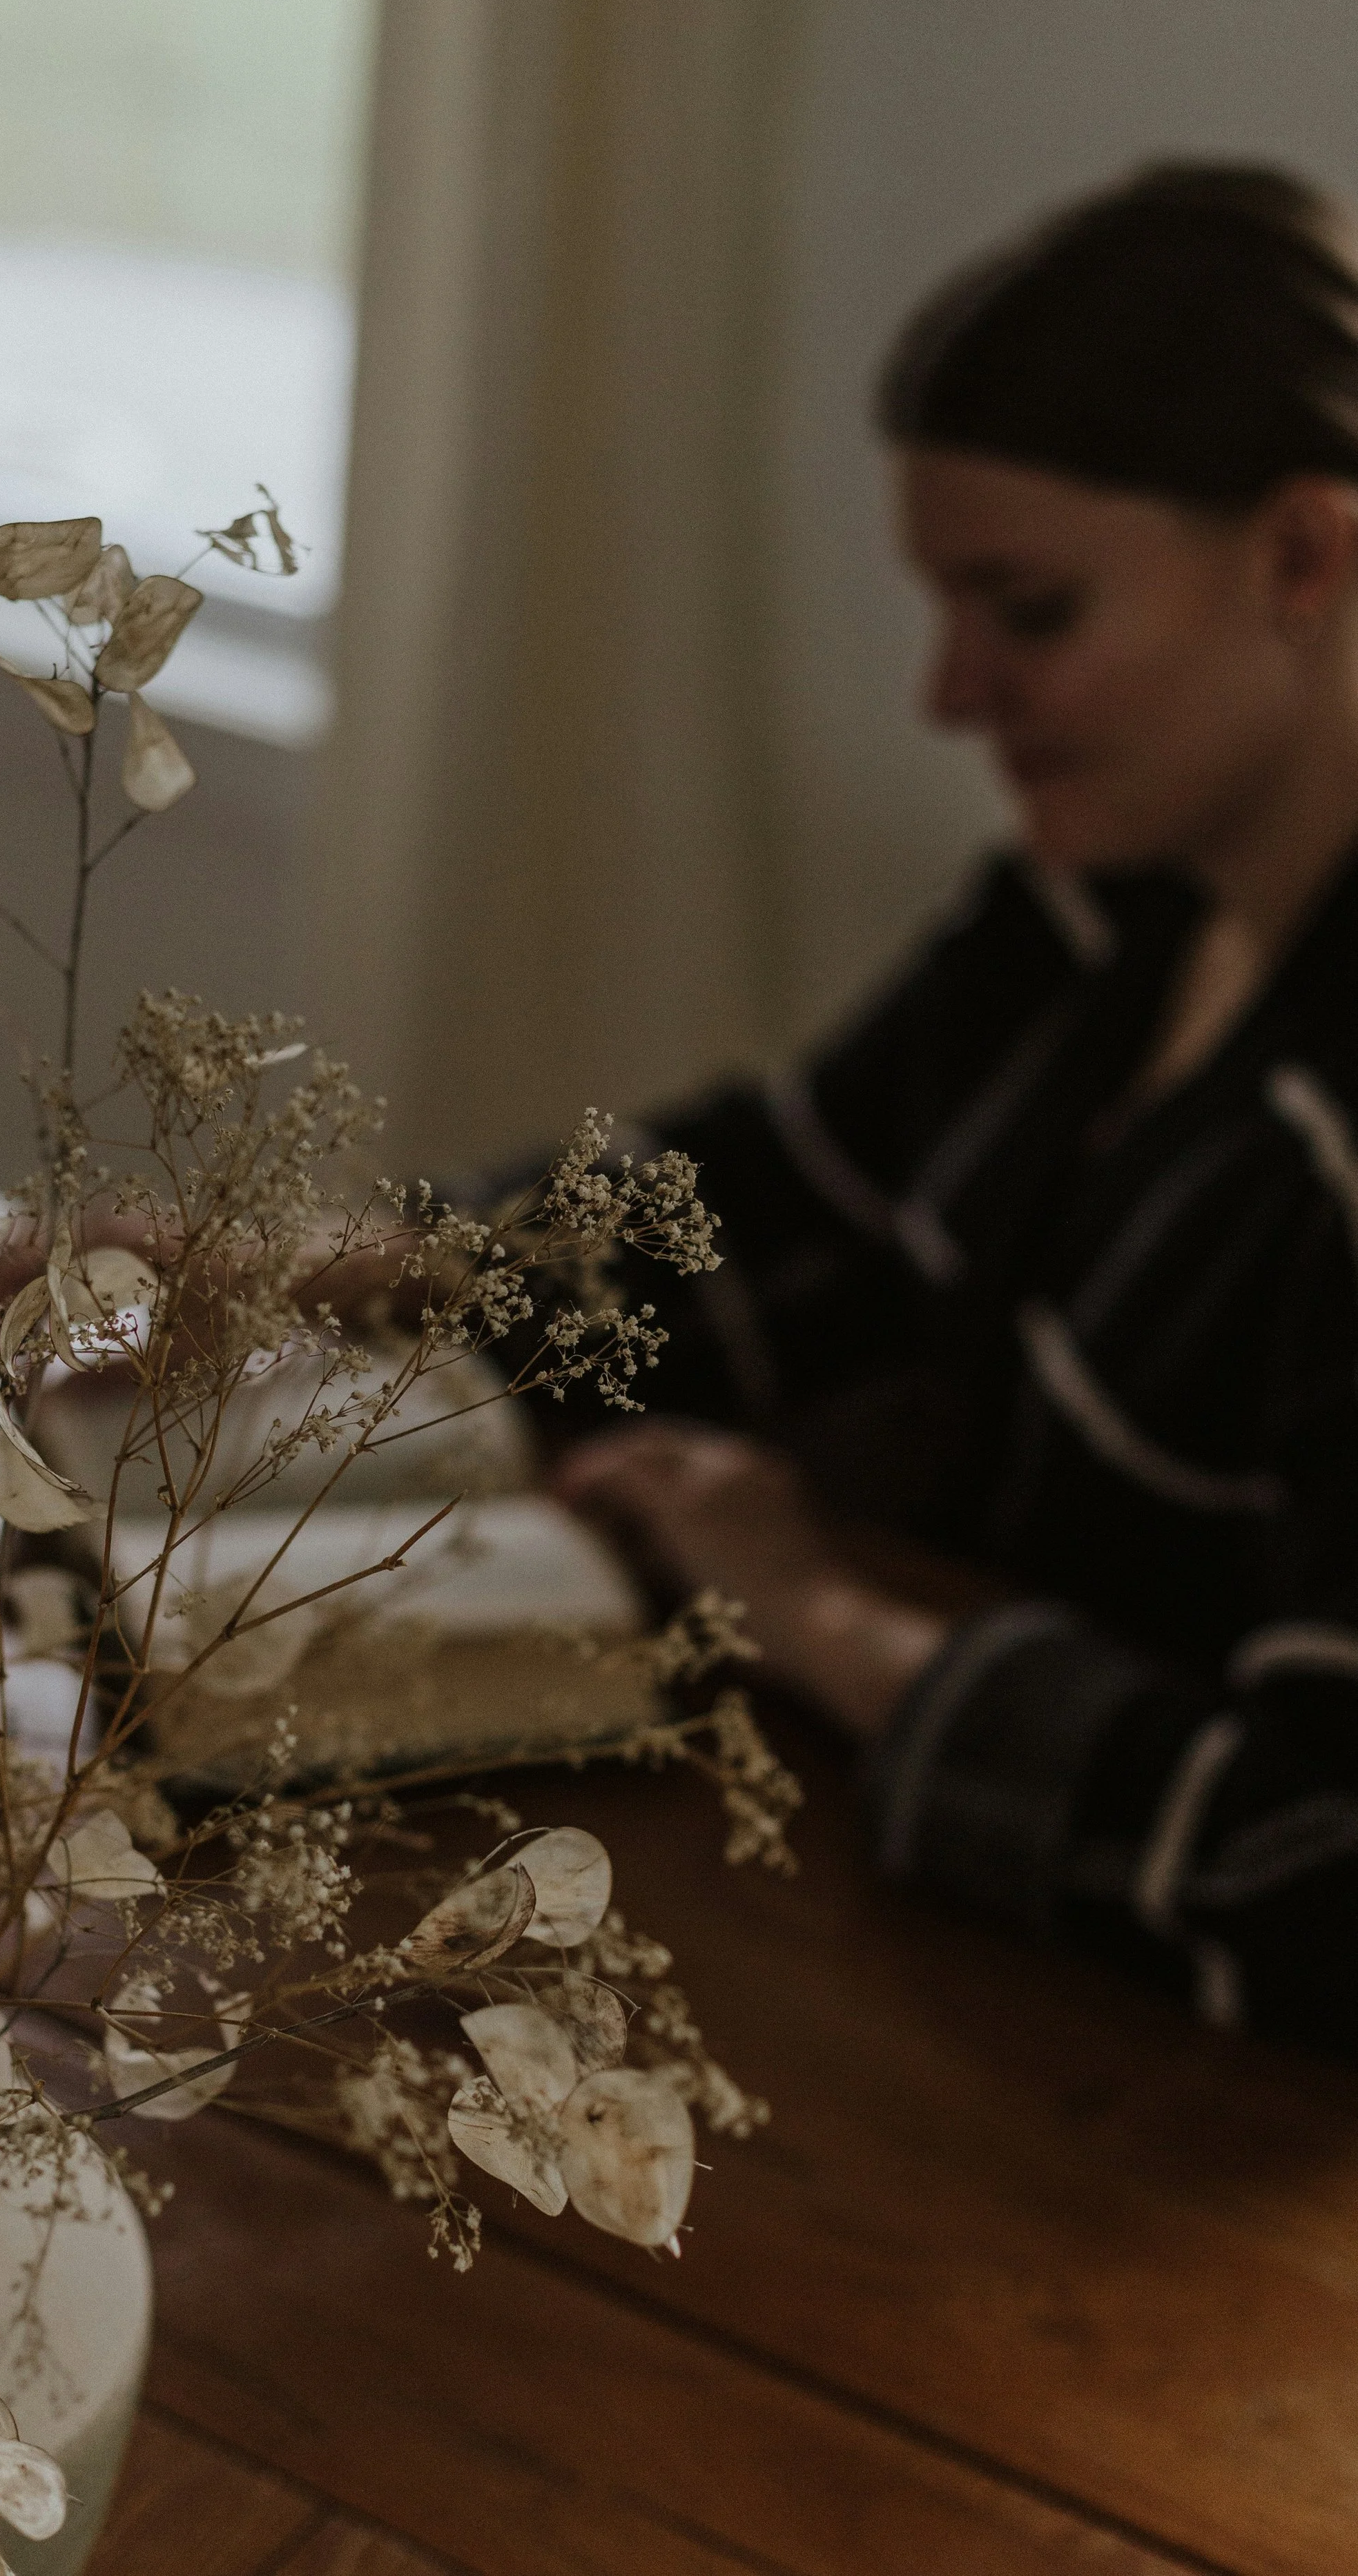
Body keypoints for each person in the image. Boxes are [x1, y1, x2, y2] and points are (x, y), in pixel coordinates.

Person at [540, 162, 1358, 2053]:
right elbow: (790, 1196)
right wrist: (309, 1268)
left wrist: (814, 1609)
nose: (945, 692)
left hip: (1161, 2163)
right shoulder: (1111, 897)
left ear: (1301, 556)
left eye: (1028, 610)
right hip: (925, 1958)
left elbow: (1320, 1871)